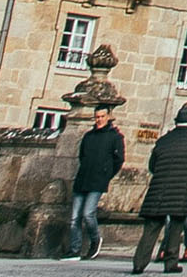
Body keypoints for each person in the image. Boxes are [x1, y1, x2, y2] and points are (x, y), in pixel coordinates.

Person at [132, 104, 187, 274]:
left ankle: (139, 263)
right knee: (176, 225)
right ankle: (170, 262)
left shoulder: (163, 140)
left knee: (151, 227)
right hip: (181, 189)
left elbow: (152, 165)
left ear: (176, 122)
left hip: (158, 189)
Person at [66, 108, 124, 259]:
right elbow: (82, 156)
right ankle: (74, 249)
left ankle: (95, 240)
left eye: (102, 116)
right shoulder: (88, 136)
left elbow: (119, 160)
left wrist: (106, 175)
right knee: (74, 218)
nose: (99, 119)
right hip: (83, 179)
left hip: (98, 181)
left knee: (88, 214)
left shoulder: (115, 137)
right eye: (97, 117)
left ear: (108, 117)